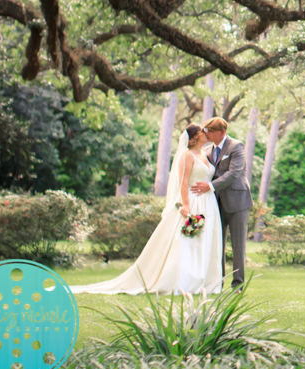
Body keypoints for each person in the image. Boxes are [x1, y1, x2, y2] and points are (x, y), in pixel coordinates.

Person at [72, 124, 223, 295]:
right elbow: (183, 181)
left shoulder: (205, 154)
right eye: (203, 131)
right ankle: (185, 279)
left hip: (208, 203)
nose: (206, 133)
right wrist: (186, 205)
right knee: (189, 241)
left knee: (204, 240)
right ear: (195, 137)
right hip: (193, 201)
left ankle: (203, 277)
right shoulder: (188, 156)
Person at [190, 117, 252, 291]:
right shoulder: (209, 150)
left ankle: (238, 284)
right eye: (206, 130)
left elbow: (233, 173)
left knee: (238, 245)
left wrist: (209, 186)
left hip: (238, 202)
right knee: (218, 245)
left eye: (210, 131)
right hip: (216, 203)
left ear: (222, 132)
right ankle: (218, 282)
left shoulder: (236, 146)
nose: (207, 134)